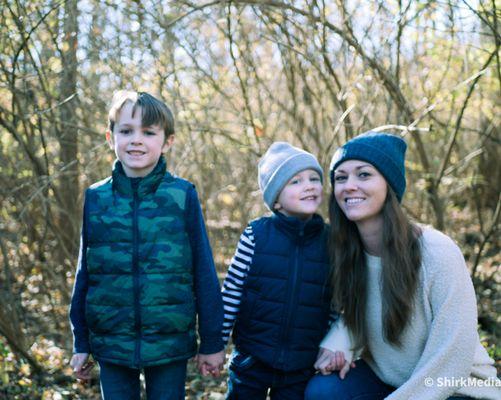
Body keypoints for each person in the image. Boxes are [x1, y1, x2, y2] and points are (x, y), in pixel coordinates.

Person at [305, 132, 500, 400]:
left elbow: (453, 355)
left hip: (460, 387)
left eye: (363, 175)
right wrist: (340, 340)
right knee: (322, 392)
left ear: (390, 185)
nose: (349, 186)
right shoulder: (348, 252)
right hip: (393, 381)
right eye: (341, 178)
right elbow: (361, 308)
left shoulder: (436, 252)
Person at [69, 90, 225, 399]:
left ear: (167, 141)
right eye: (126, 131)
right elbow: (85, 273)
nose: (136, 140)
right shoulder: (96, 198)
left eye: (148, 132)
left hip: (169, 341)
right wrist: (81, 343)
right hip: (112, 340)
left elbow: (204, 272)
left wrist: (212, 343)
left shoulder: (182, 196)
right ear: (110, 136)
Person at [221, 142, 333, 399]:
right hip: (252, 357)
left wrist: (327, 346)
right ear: (277, 201)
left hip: (301, 363)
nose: (308, 185)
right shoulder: (256, 235)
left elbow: (336, 303)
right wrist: (216, 344)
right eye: (295, 181)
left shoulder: (331, 242)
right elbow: (232, 291)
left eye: (313, 179)